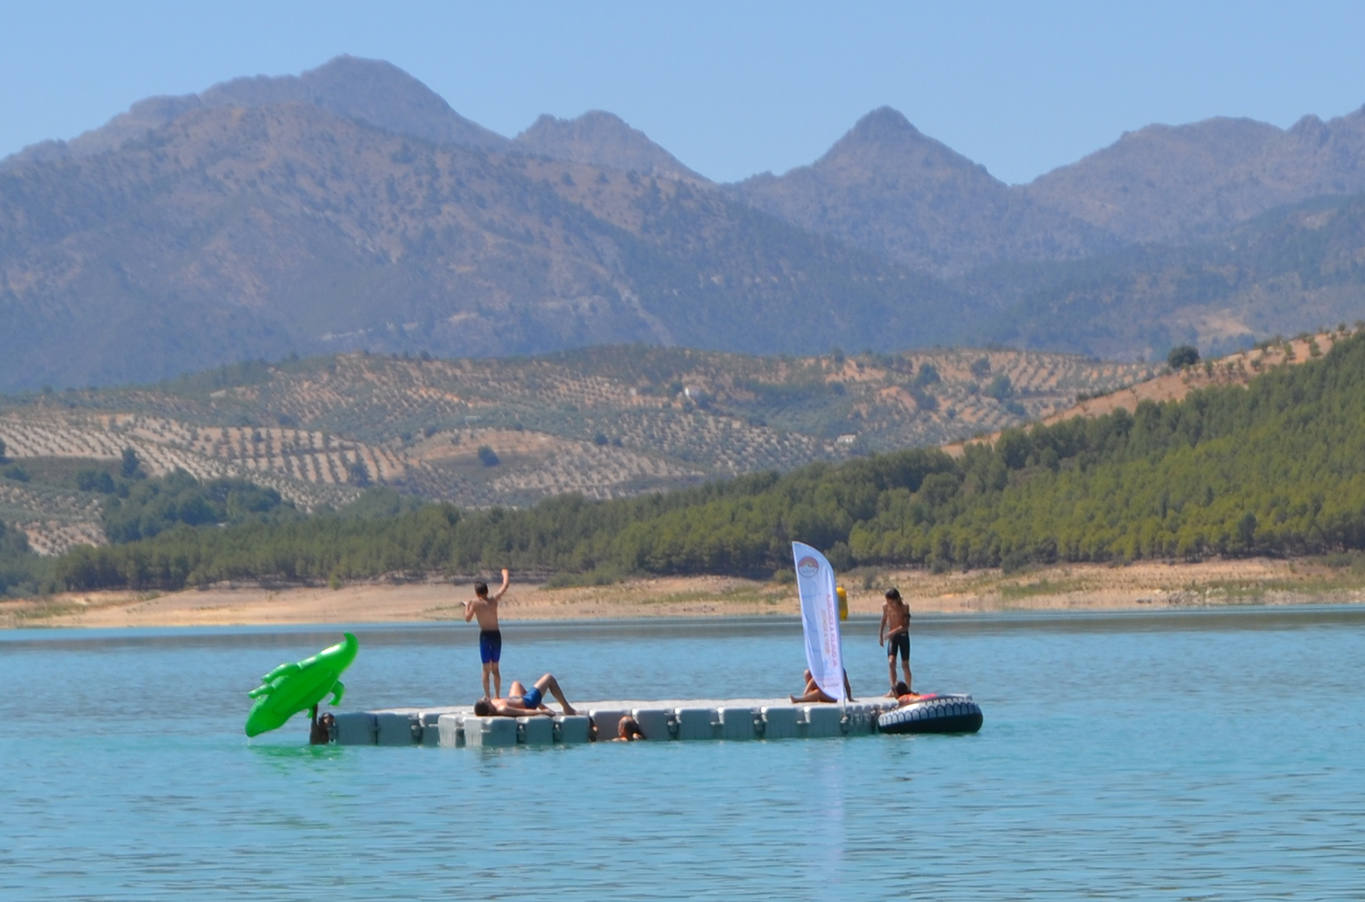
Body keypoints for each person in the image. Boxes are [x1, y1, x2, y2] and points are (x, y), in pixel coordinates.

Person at [463, 568, 510, 700]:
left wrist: (467, 606)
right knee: (495, 668)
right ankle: (497, 696)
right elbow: (505, 586)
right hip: (496, 635)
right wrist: (504, 573)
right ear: (487, 591)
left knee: (485, 669)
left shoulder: (475, 603)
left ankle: (487, 696)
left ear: (477, 593)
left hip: (485, 636)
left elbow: (467, 619)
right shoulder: (494, 600)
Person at [472, 672, 576, 717]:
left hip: (515, 698)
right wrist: (543, 712)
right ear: (488, 709)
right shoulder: (502, 709)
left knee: (516, 683)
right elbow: (524, 712)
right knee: (549, 678)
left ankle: (542, 704)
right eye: (484, 700)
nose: (485, 697)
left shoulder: (493, 704)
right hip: (528, 702)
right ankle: (567, 708)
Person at [879, 587, 912, 695]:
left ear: (897, 599)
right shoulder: (885, 606)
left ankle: (908, 688)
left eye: (891, 602)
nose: (889, 604)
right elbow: (884, 619)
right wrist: (880, 635)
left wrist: (891, 633)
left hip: (902, 636)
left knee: (905, 664)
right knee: (891, 662)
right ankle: (893, 689)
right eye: (888, 601)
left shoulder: (905, 606)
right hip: (892, 638)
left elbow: (906, 626)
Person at [789, 667, 855, 703]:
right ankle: (811, 696)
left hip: (832, 696)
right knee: (808, 673)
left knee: (818, 692)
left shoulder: (841, 671)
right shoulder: (825, 668)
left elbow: (847, 686)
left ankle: (798, 700)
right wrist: (806, 692)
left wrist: (849, 698)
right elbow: (814, 680)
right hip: (824, 691)